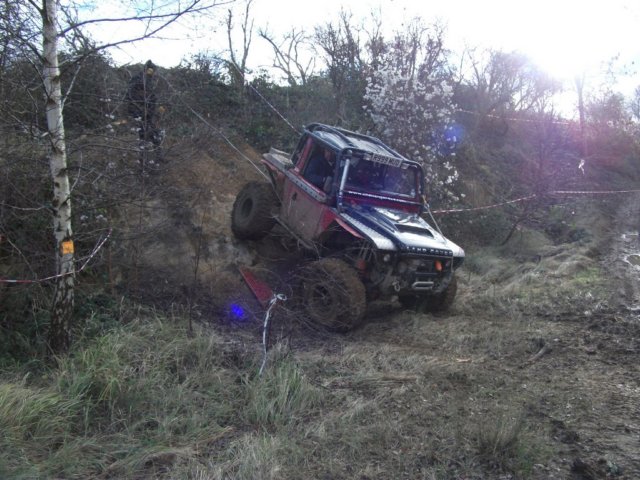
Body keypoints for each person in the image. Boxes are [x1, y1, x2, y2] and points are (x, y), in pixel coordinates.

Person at [126, 60, 163, 149]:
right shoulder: (138, 79)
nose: (153, 73)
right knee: (144, 131)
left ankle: (155, 151)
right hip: (139, 109)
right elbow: (131, 95)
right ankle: (145, 153)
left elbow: (152, 95)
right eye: (151, 70)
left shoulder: (148, 80)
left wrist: (154, 106)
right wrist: (140, 107)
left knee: (151, 129)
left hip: (148, 110)